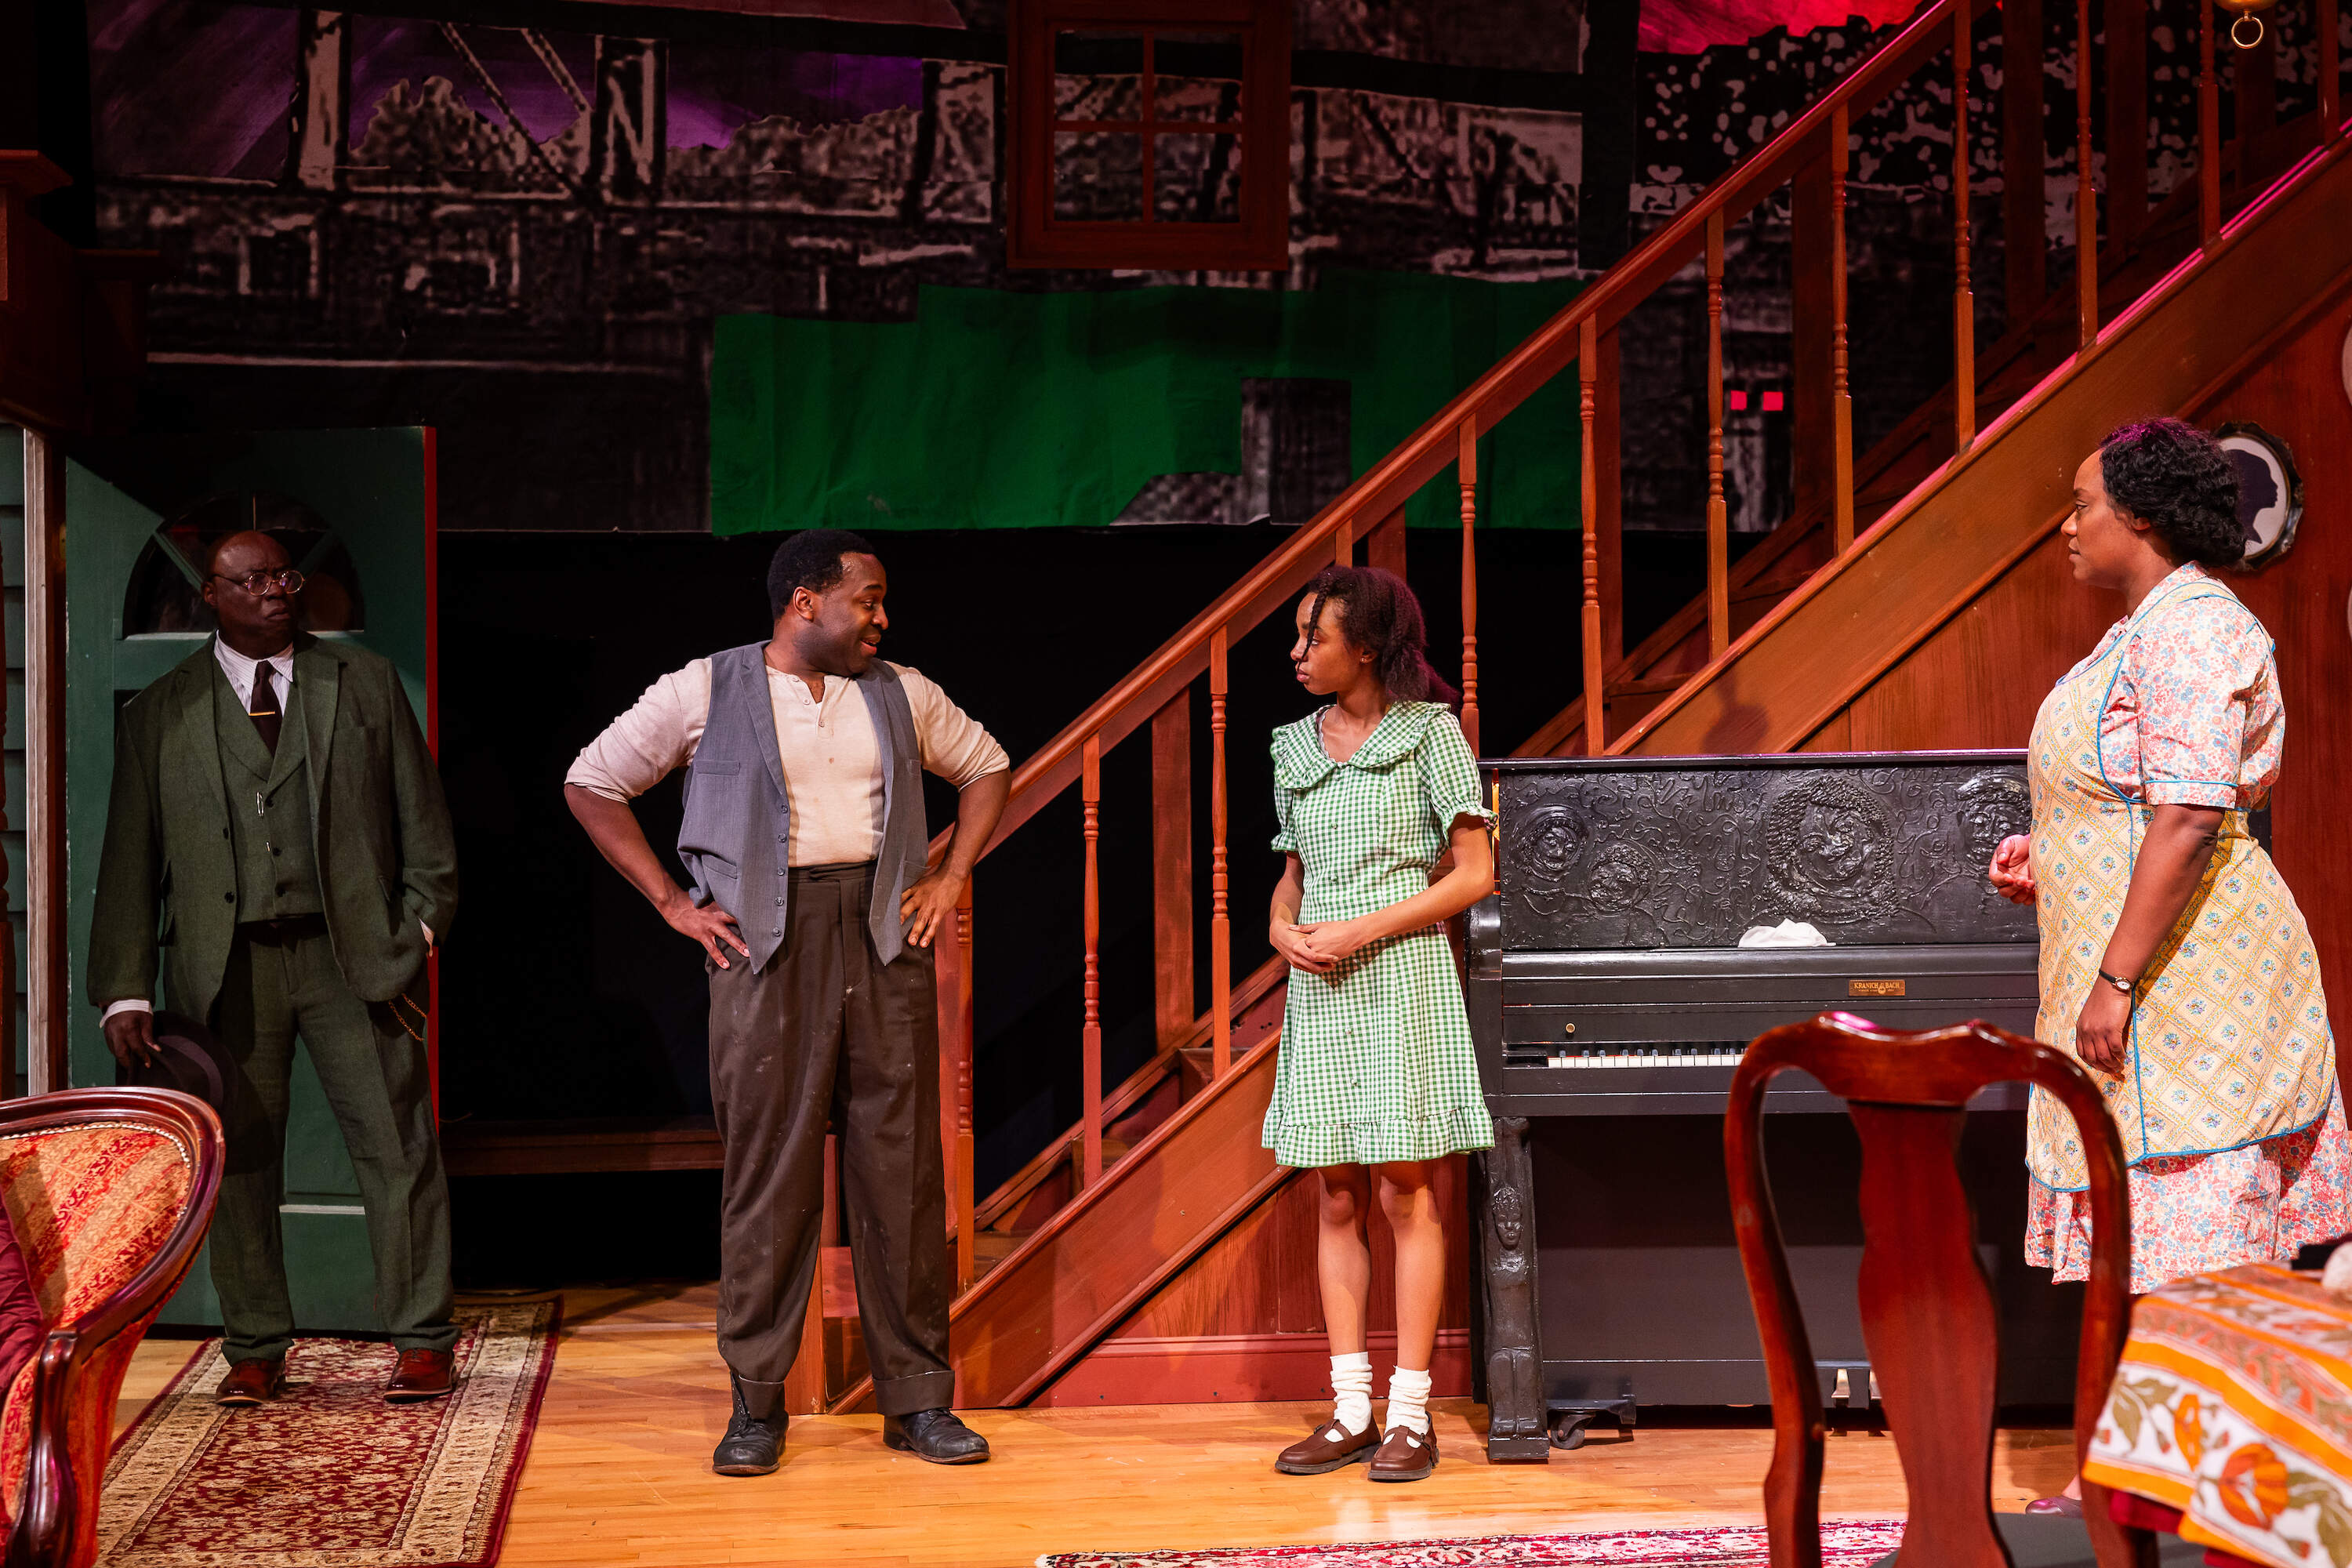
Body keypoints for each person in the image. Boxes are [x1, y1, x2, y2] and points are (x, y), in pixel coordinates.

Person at [565, 529, 1010, 1476]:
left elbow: (987, 766)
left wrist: (951, 875)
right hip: (764, 947)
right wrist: (672, 905)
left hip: (883, 937)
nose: (882, 619)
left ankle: (918, 1400)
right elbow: (594, 782)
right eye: (870, 600)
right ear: (805, 602)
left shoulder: (901, 688)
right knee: (769, 1175)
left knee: (901, 1172)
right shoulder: (703, 687)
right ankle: (756, 1405)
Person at [1987, 419, 2349, 1512]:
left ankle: (2226, 1508)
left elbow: (2191, 816)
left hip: (2196, 1000)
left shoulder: (2193, 629)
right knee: (2153, 1263)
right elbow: (2136, 805)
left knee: (2201, 1266)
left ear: (2139, 518)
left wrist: (2118, 977)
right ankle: (2147, 1494)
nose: (2070, 523)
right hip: (2153, 986)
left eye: (2084, 502)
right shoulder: (2139, 631)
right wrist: (2053, 860)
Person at [89, 530, 461, 1405]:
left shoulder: (362, 685)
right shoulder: (161, 713)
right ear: (211, 595)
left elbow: (425, 826)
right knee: (243, 1157)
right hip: (229, 969)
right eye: (251, 580)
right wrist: (124, 988)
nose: (275, 591)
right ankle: (255, 1345)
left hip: (354, 958)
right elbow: (130, 863)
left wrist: (421, 931)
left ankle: (420, 1338)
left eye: (284, 576)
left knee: (397, 1146)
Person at [1262, 565, 1497, 1484]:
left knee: (1407, 1191)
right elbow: (1290, 875)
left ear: (1364, 647)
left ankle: (1410, 1410)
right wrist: (1283, 927)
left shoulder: (1431, 734)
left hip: (1399, 973)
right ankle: (1350, 1407)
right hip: (1321, 985)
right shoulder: (1293, 746)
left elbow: (1473, 873)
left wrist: (1365, 925)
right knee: (1335, 1193)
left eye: (1312, 637)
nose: (1296, 652)